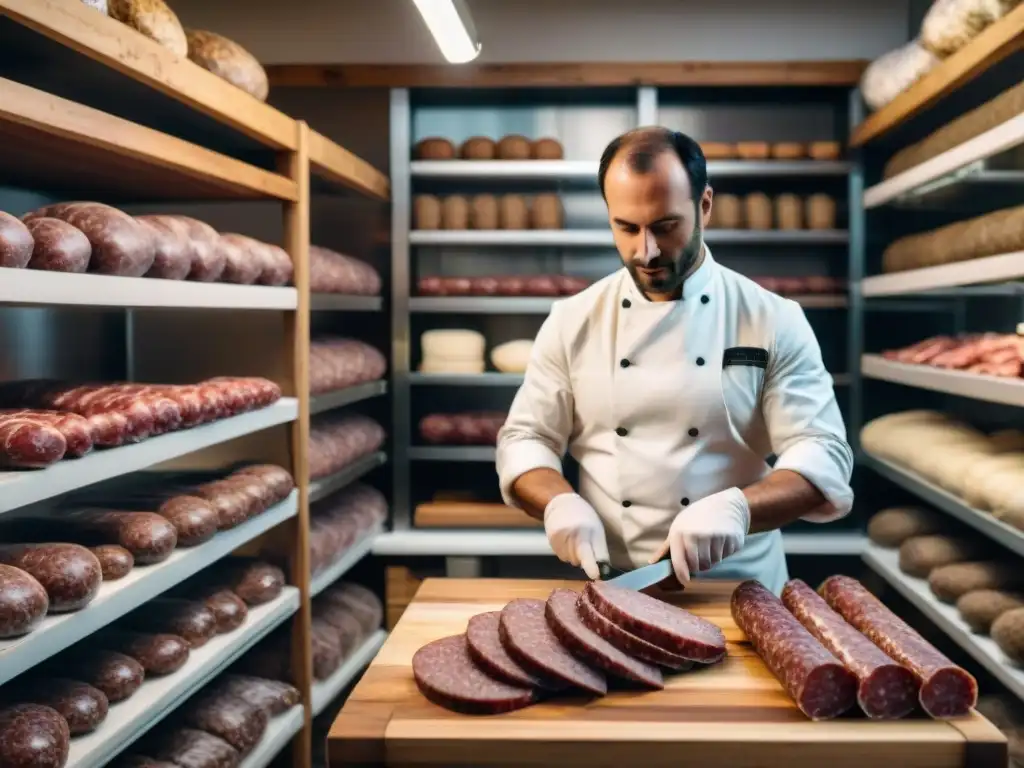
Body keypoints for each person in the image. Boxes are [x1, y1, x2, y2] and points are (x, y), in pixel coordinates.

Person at [495, 127, 853, 594]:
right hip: (613, 583)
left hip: (740, 586)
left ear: (704, 205)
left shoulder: (771, 318)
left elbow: (822, 451)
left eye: (665, 226)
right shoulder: (573, 319)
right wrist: (559, 501)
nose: (645, 251)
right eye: (626, 227)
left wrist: (738, 509)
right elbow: (527, 437)